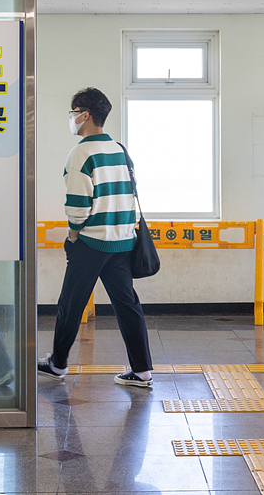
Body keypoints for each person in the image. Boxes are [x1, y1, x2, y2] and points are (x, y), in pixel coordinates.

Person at [37, 87, 154, 388]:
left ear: (85, 115)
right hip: (123, 242)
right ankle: (141, 371)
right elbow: (131, 194)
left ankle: (58, 364)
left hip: (90, 242)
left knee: (71, 304)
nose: (72, 118)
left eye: (73, 112)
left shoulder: (81, 153)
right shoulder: (120, 149)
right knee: (127, 305)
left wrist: (73, 235)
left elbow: (77, 205)